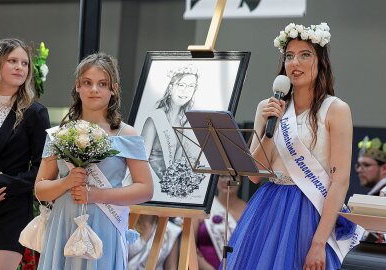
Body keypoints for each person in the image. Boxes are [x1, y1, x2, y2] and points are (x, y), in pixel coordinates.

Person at [223, 22, 363, 270]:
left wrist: (319, 242)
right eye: (289, 56)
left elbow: (340, 181)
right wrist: (269, 130)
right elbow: (255, 176)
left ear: (321, 62)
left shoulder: (336, 109)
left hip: (310, 209)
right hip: (270, 205)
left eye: (304, 55)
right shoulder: (268, 108)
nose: (295, 63)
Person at [35, 52, 153, 270]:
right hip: (63, 225)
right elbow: (40, 190)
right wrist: (66, 183)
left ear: (113, 89)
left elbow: (145, 189)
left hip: (105, 225)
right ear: (78, 86)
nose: (94, 89)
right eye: (87, 83)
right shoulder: (59, 134)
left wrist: (97, 195)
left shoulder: (127, 135)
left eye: (102, 83)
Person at [0, 38, 50, 270]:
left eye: (25, 63)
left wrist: (2, 183)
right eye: (12, 61)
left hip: (12, 209)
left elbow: (43, 171)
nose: (20, 67)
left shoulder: (35, 113)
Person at [141, 65, 204, 198]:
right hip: (150, 188)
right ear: (171, 88)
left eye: (191, 86)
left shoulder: (185, 122)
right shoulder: (155, 118)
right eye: (181, 85)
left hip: (170, 192)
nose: (185, 91)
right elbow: (142, 161)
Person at [194, 175, 246, 270]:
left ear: (241, 180)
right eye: (222, 176)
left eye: (234, 177)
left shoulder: (249, 211)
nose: (227, 180)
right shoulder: (204, 207)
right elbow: (190, 245)